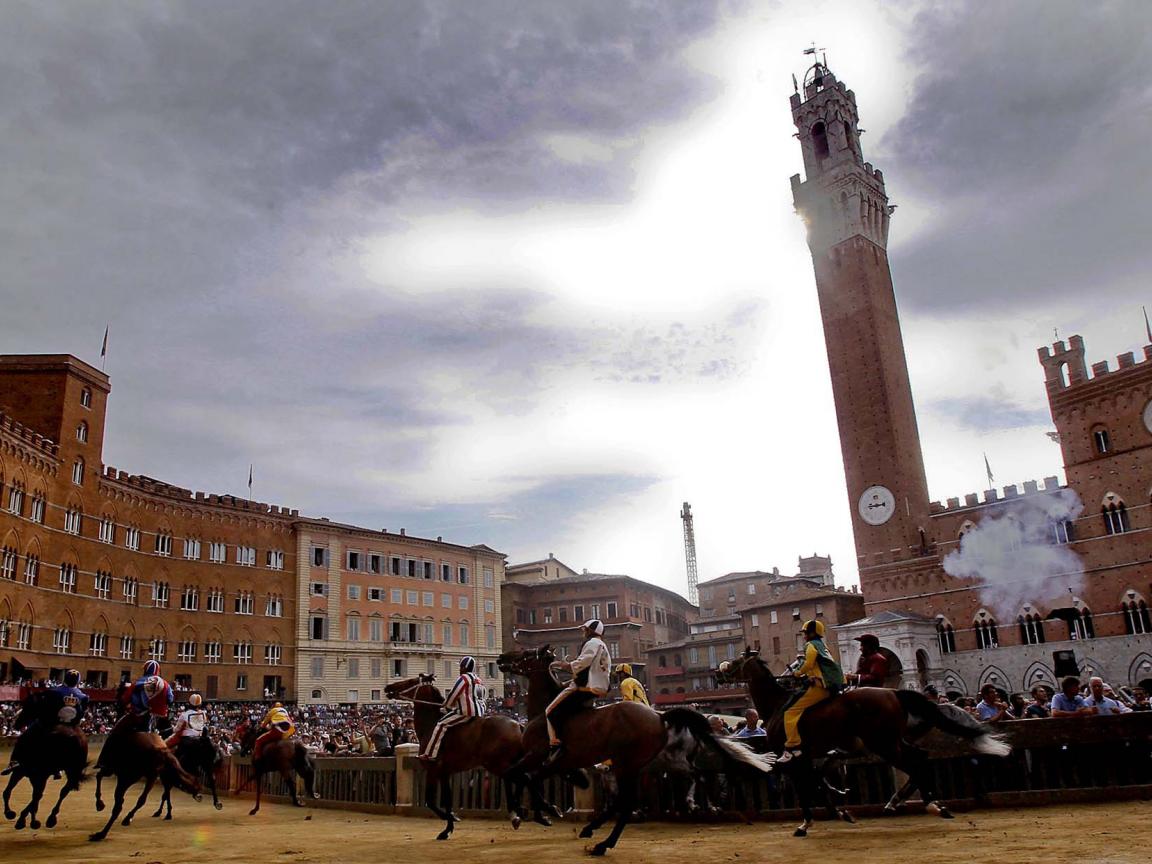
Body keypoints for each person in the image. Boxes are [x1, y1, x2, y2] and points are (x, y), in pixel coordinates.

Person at [543, 619, 611, 766]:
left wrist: (564, 665)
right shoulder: (602, 644)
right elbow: (589, 669)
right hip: (597, 686)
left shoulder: (592, 643)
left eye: (585, 630)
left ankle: (556, 746)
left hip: (586, 687)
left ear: (591, 631)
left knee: (550, 711)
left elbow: (582, 663)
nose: (583, 632)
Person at [777, 619, 844, 764]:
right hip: (832, 687)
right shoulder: (823, 646)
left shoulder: (810, 645)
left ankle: (792, 747)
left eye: (806, 633)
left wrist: (797, 673)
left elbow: (808, 663)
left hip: (821, 687)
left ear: (812, 633)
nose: (804, 636)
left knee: (790, 712)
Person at [2, 668, 88, 775]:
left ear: (65, 679)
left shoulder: (54, 691)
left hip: (53, 723)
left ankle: (14, 761)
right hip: (71, 725)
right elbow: (81, 714)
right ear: (77, 681)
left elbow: (45, 707)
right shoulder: (83, 696)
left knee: (25, 736)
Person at [420, 656, 485, 762]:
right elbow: (482, 696)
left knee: (441, 725)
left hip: (466, 712)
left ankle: (430, 754)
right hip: (480, 712)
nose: (459, 669)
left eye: (461, 667)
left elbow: (453, 694)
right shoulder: (478, 680)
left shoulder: (463, 678)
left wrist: (446, 706)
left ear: (464, 667)